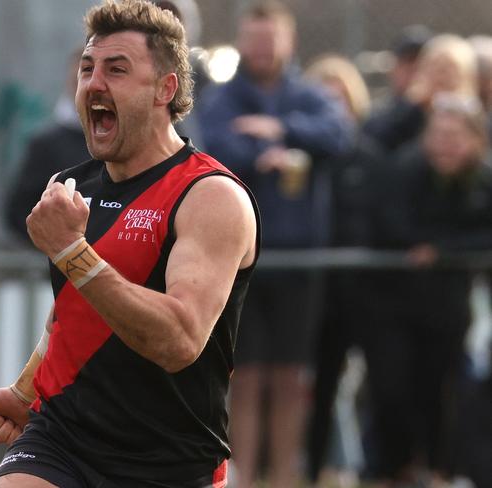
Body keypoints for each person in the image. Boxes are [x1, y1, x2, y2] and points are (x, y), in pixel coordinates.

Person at [0, 1, 260, 487]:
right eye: (87, 69)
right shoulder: (69, 185)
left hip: (171, 460)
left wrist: (73, 254)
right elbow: (70, 311)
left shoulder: (211, 196)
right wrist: (24, 393)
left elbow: (180, 339)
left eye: (117, 69)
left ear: (165, 89)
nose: (94, 84)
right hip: (62, 439)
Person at [198, 2, 352, 487]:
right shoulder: (224, 97)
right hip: (244, 260)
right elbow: (215, 147)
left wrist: (281, 131)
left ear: (289, 42)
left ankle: (285, 476)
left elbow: (339, 133)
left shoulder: (309, 96)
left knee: (290, 378)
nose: (262, 49)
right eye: (254, 39)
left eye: (271, 39)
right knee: (246, 378)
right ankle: (239, 478)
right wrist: (268, 152)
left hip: (301, 260)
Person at [363, 93, 492, 487]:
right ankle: (393, 470)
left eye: (457, 136)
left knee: (443, 391)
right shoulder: (403, 170)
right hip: (393, 305)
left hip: (448, 308)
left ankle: (438, 470)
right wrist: (427, 246)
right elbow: (388, 224)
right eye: (440, 135)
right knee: (392, 389)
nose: (447, 145)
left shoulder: (483, 180)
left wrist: (441, 250)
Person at [303, 54, 385, 486]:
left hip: (368, 291)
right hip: (320, 294)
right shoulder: (306, 160)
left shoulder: (372, 158)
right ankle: (315, 472)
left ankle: (381, 470)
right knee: (321, 389)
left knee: (382, 386)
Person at [5, 49, 90, 245]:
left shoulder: (135, 145)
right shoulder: (47, 143)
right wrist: (58, 247)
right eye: (83, 77)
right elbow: (18, 211)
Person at [364, 33, 478, 153]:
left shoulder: (477, 115)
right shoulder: (405, 112)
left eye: (451, 71)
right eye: (436, 69)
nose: (442, 77)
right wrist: (411, 106)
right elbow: (374, 141)